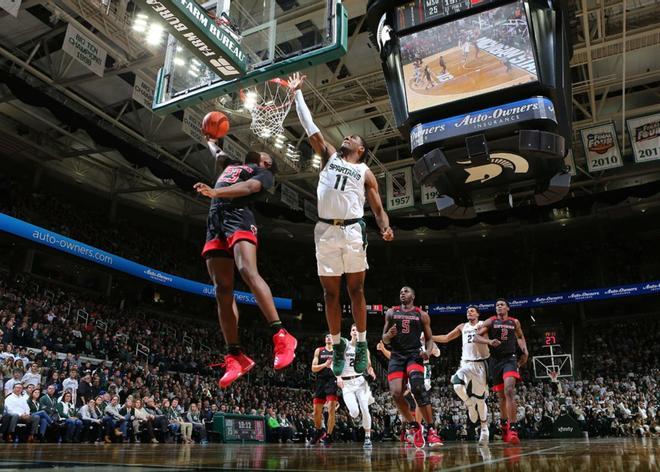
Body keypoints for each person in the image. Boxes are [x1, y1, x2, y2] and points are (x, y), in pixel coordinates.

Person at [289, 71, 394, 379]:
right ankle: (337, 345)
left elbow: (377, 207)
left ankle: (361, 343)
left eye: (354, 138)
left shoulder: (365, 171)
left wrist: (384, 227)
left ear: (361, 149)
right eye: (347, 137)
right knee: (330, 295)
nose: (347, 137)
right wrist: (297, 93)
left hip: (352, 229)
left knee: (356, 288)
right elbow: (310, 127)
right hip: (325, 230)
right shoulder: (331, 156)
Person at [194, 143, 297, 389]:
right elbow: (219, 155)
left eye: (265, 154)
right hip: (215, 221)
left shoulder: (263, 174)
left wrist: (216, 193)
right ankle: (235, 355)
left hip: (238, 216)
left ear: (266, 163)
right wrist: (210, 139)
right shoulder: (233, 165)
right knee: (221, 289)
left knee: (246, 270)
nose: (259, 151)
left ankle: (282, 335)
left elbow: (250, 188)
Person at [382, 286, 442, 449]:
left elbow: (429, 339)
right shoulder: (391, 312)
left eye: (406, 291)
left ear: (413, 296)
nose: (402, 293)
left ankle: (431, 430)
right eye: (401, 291)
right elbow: (384, 339)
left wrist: (428, 352)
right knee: (396, 393)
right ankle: (415, 425)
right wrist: (389, 336)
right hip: (396, 356)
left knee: (418, 388)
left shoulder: (421, 315)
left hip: (414, 356)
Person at [433, 305, 491, 445]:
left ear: (477, 314)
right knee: (457, 384)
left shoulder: (484, 324)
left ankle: (484, 428)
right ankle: (469, 404)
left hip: (481, 364)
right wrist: (430, 337)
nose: (468, 312)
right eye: (467, 311)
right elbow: (446, 338)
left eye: (471, 311)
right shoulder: (462, 326)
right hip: (465, 363)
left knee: (480, 399)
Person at [475, 298, 529, 444]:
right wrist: (489, 341)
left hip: (510, 359)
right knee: (501, 397)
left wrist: (525, 351)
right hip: (495, 361)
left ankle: (513, 428)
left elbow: (520, 337)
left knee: (509, 391)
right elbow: (476, 337)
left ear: (508, 308)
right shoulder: (491, 321)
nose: (499, 307)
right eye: (497, 305)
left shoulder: (514, 322)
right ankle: (504, 425)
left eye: (501, 305)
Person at [336, 324, 377, 448]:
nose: (355, 332)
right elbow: (335, 362)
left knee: (365, 408)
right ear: (350, 332)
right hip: (346, 383)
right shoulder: (344, 346)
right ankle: (355, 415)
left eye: (357, 330)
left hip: (360, 381)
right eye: (353, 330)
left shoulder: (364, 349)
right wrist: (338, 377)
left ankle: (368, 437)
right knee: (354, 412)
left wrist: (371, 370)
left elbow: (369, 365)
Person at [310, 334, 338, 445]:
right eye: (327, 336)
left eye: (331, 336)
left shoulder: (337, 351)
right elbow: (313, 368)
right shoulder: (319, 350)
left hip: (333, 380)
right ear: (325, 339)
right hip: (321, 380)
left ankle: (329, 435)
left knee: (331, 408)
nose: (328, 337)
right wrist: (325, 365)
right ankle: (319, 431)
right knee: (316, 411)